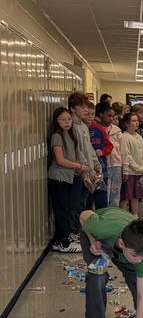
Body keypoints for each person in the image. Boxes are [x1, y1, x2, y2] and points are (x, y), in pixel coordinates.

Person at [48, 107, 87, 253]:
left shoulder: (70, 135)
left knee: (70, 208)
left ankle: (66, 237)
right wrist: (78, 165)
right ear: (56, 121)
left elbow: (76, 155)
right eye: (63, 119)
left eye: (69, 119)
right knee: (62, 210)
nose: (66, 122)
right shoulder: (56, 136)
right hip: (59, 178)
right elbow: (60, 160)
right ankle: (63, 242)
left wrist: (84, 168)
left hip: (70, 177)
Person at [68, 91, 101, 236]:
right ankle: (75, 232)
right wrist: (87, 168)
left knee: (84, 202)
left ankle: (81, 230)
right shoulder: (72, 127)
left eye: (86, 107)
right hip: (79, 172)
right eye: (82, 107)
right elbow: (78, 151)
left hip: (88, 171)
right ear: (73, 108)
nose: (86, 110)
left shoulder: (83, 126)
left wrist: (96, 164)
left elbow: (89, 149)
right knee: (76, 204)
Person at [120, 111, 143, 215]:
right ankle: (122, 218)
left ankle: (135, 217)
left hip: (139, 172)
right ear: (127, 123)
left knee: (136, 197)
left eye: (137, 120)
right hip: (130, 172)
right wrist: (140, 169)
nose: (136, 123)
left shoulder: (139, 137)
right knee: (126, 196)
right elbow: (127, 157)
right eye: (133, 121)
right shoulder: (124, 137)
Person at [89, 103, 113, 208]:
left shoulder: (99, 129)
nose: (89, 117)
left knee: (101, 199)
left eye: (92, 114)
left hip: (101, 168)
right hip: (87, 169)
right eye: (87, 114)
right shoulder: (78, 129)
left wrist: (102, 152)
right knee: (87, 201)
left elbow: (109, 146)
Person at [106, 104, 123, 208]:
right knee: (105, 191)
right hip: (105, 165)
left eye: (114, 117)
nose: (112, 119)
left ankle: (113, 212)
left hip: (117, 164)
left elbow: (123, 150)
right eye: (109, 116)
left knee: (115, 191)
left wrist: (124, 167)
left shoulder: (117, 130)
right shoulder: (99, 129)